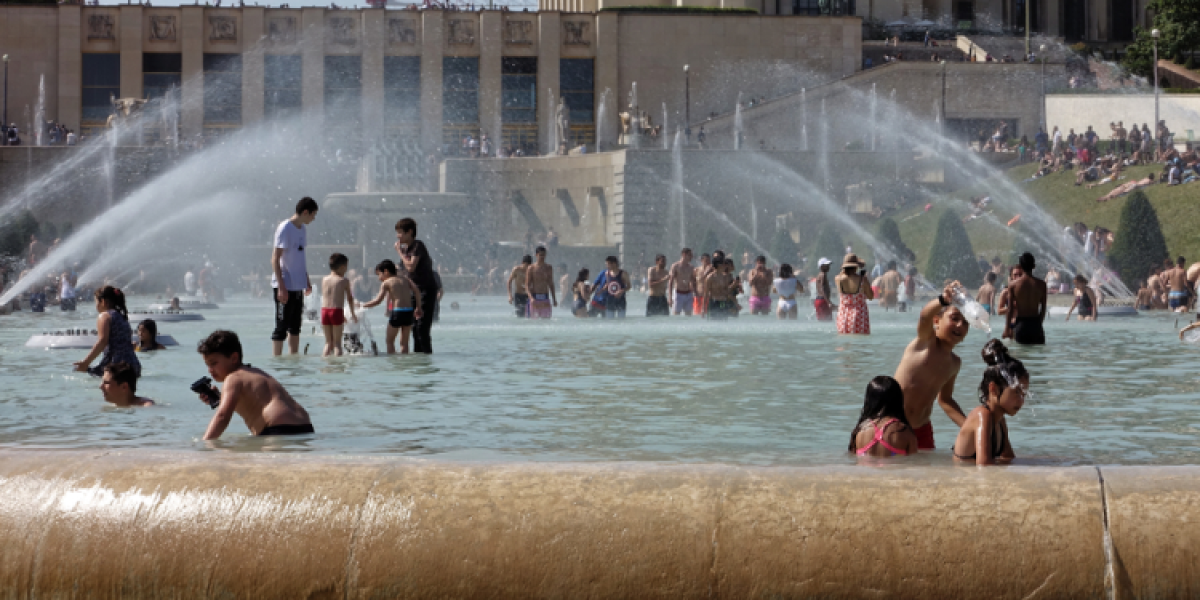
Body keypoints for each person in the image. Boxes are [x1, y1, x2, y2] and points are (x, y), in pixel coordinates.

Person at [893, 281, 971, 449]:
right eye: (954, 318)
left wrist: (969, 428)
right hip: (894, 425)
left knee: (927, 472)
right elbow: (924, 317)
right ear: (937, 321)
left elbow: (945, 400)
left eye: (965, 322)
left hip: (923, 429)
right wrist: (943, 299)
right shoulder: (925, 342)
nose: (960, 325)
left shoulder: (954, 363)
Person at [196, 330, 313, 439]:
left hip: (277, 427)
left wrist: (205, 444)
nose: (210, 370)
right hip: (305, 426)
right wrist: (220, 399)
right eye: (207, 365)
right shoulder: (255, 372)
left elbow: (222, 416)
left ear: (234, 358)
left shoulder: (233, 378)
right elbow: (253, 403)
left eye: (214, 363)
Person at [951, 340, 1026, 465]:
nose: (1021, 400)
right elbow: (984, 465)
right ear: (994, 389)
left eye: (1024, 394)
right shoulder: (982, 415)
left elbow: (1008, 457)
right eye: (1017, 392)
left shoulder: (1000, 419)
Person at [271, 197, 318, 356]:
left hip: (298, 284)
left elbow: (300, 256)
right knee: (281, 327)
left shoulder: (302, 229)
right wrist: (281, 286)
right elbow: (275, 258)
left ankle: (293, 360)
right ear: (305, 212)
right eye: (313, 215)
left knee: (295, 327)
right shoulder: (285, 228)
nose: (313, 219)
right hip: (285, 284)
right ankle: (277, 360)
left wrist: (307, 280)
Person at [74, 286, 141, 378]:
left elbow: (102, 341)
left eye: (96, 302)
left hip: (115, 367)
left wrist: (86, 363)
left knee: (78, 371)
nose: (96, 306)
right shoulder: (122, 317)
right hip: (133, 366)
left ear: (103, 302)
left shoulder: (105, 316)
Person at [360, 259, 423, 354]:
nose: (379, 278)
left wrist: (361, 305)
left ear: (386, 271)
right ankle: (405, 365)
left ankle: (392, 365)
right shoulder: (405, 279)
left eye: (379, 275)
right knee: (404, 343)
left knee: (389, 341)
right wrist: (418, 307)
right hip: (409, 312)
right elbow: (417, 291)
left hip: (398, 312)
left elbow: (377, 301)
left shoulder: (387, 282)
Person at [395, 218, 438, 353]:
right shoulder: (407, 249)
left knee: (422, 327)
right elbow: (402, 270)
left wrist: (399, 252)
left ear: (410, 232)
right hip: (414, 292)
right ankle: (418, 360)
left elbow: (411, 266)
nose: (398, 236)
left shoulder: (417, 246)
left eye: (400, 233)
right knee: (414, 327)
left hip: (426, 289)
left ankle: (426, 358)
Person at [849, 375, 917, 457]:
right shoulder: (905, 432)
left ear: (869, 400)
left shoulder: (859, 432)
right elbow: (913, 465)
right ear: (898, 400)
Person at [319, 253, 358, 356]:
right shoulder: (344, 281)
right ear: (342, 267)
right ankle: (338, 367)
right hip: (336, 311)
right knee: (337, 344)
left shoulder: (324, 279)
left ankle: (325, 365)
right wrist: (353, 314)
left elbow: (329, 297)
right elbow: (350, 299)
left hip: (324, 311)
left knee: (328, 342)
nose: (346, 270)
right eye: (346, 268)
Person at [1006, 253, 1047, 344]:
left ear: (1021, 266)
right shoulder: (1042, 284)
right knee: (1039, 355)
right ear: (1034, 266)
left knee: (1021, 355)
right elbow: (1043, 308)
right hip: (1036, 323)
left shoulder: (1013, 285)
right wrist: (1038, 324)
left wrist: (1007, 329)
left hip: (1021, 324)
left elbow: (1010, 309)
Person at [835, 254, 873, 334]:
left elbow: (842, 273)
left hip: (843, 313)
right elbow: (871, 296)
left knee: (844, 341)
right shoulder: (863, 279)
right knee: (860, 341)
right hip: (859, 314)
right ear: (856, 266)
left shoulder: (838, 279)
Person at [524, 246, 557, 319]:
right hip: (534, 298)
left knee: (546, 321)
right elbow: (527, 285)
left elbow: (551, 284)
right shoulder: (531, 268)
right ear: (536, 255)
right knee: (533, 322)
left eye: (544, 255)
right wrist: (531, 298)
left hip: (545, 297)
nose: (542, 257)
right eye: (540, 255)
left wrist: (554, 299)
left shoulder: (548, 268)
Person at [667, 248, 696, 316]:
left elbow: (692, 280)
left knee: (689, 315)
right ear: (684, 255)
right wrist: (670, 298)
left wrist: (693, 293)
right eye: (690, 255)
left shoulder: (691, 267)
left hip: (688, 293)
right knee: (676, 315)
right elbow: (670, 282)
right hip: (678, 293)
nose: (691, 257)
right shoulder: (675, 266)